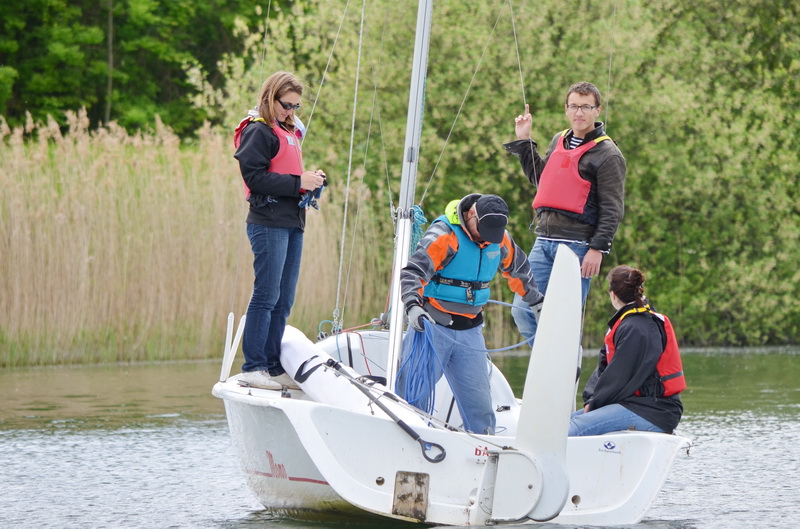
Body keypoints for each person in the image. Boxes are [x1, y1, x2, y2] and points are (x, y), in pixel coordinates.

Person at [397, 194, 544, 434]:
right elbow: (413, 273)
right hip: (433, 328)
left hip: (471, 332)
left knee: (481, 411)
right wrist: (413, 306)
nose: (486, 238)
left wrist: (536, 302)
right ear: (471, 214)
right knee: (412, 400)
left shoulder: (499, 238)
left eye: (492, 234)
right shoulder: (444, 234)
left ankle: (483, 449)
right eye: (483, 231)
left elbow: (519, 270)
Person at [504, 81, 626, 345]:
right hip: (544, 242)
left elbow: (612, 208)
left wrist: (598, 248)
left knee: (564, 318)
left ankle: (567, 361)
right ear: (566, 109)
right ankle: (550, 361)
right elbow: (542, 180)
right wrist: (524, 140)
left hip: (578, 247)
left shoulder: (608, 154)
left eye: (586, 107)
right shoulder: (558, 140)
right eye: (574, 106)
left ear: (597, 110)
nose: (579, 113)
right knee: (523, 311)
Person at [233, 71, 327, 390]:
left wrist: (311, 180)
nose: (291, 112)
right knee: (266, 295)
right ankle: (254, 366)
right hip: (267, 222)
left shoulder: (288, 132)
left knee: (284, 299)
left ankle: (273, 367)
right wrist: (298, 182)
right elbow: (254, 178)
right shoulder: (258, 131)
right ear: (270, 98)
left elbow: (285, 175)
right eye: (286, 105)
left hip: (292, 222)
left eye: (296, 106)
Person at [569, 265, 685, 436]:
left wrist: (595, 403)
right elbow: (604, 368)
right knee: (564, 423)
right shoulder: (627, 323)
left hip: (654, 411)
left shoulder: (637, 328)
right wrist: (592, 400)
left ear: (613, 295)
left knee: (571, 429)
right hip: (635, 404)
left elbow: (619, 375)